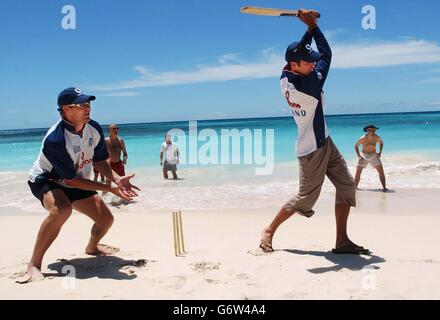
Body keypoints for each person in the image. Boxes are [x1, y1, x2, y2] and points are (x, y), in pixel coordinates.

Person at [259, 10, 369, 255]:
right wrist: (313, 26)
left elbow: (301, 51)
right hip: (311, 150)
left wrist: (309, 28)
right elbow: (327, 54)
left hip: (325, 141)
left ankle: (342, 241)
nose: (312, 64)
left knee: (346, 186)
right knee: (305, 199)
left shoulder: (286, 75)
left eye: (311, 61)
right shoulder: (307, 86)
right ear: (295, 65)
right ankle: (269, 230)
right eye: (307, 62)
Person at [26, 87, 140, 282]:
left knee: (106, 220)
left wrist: (116, 179)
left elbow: (99, 161)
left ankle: (92, 247)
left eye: (88, 104)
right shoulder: (55, 139)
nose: (87, 108)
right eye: (81, 105)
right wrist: (108, 188)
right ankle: (34, 264)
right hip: (47, 179)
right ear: (66, 109)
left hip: (74, 179)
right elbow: (71, 180)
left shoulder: (93, 127)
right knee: (62, 210)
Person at [354, 125, 388, 192]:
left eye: (374, 130)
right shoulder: (362, 138)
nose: (374, 132)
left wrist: (380, 152)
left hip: (374, 155)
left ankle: (384, 188)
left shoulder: (377, 137)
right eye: (372, 130)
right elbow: (356, 146)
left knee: (381, 172)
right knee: (358, 172)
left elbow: (381, 143)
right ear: (368, 131)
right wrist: (358, 155)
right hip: (364, 155)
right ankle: (354, 188)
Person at [104, 124, 129, 200]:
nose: (116, 130)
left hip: (119, 164)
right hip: (109, 165)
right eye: (114, 128)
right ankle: (104, 199)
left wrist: (124, 160)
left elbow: (125, 153)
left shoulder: (120, 140)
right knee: (108, 182)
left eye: (117, 128)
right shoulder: (105, 141)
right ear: (109, 130)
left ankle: (123, 199)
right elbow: (101, 153)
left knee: (122, 182)